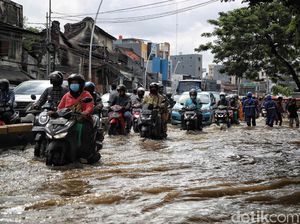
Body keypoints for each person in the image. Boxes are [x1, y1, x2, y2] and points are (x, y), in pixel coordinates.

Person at [57, 74, 100, 164]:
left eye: (76, 83)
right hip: (68, 120)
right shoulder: (66, 95)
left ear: (81, 84)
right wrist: (56, 112)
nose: (74, 85)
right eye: (72, 83)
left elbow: (90, 106)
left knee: (83, 130)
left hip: (83, 119)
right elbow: (60, 107)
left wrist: (85, 112)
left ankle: (83, 152)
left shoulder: (86, 94)